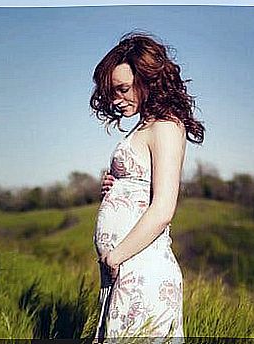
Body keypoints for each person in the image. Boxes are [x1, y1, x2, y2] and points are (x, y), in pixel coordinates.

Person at [90, 31, 205, 343]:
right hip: (126, 270)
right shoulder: (144, 126)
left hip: (141, 268)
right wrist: (117, 187)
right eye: (112, 92)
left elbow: (164, 209)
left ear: (148, 79)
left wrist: (115, 257)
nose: (116, 99)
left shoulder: (166, 127)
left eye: (123, 89)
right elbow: (144, 183)